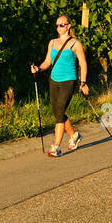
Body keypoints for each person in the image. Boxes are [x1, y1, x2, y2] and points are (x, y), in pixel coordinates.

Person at [31, 14, 90, 157]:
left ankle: (56, 147)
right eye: (57, 25)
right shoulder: (52, 42)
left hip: (68, 81)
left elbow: (83, 63)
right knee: (58, 112)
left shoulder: (75, 43)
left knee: (59, 112)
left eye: (62, 25)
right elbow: (47, 61)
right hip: (54, 80)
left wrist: (83, 83)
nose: (59, 28)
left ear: (69, 26)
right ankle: (74, 135)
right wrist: (38, 68)